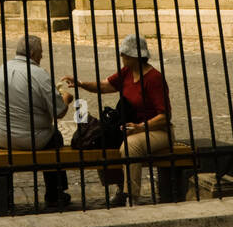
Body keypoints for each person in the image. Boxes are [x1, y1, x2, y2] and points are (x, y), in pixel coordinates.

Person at [69, 35, 173, 206]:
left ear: (135, 56)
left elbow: (164, 116)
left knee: (130, 146)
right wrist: (81, 83)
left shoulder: (154, 78)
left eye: (124, 54)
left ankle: (131, 197)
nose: (122, 57)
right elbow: (105, 86)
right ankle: (120, 187)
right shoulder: (127, 72)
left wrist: (140, 127)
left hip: (157, 131)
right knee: (102, 138)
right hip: (130, 127)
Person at [0, 34, 74, 209]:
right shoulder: (39, 74)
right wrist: (66, 98)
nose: (42, 56)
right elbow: (59, 112)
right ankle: (55, 194)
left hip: (0, 137)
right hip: (34, 140)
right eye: (41, 52)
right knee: (56, 137)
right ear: (34, 53)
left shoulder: (1, 69)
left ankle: (3, 195)